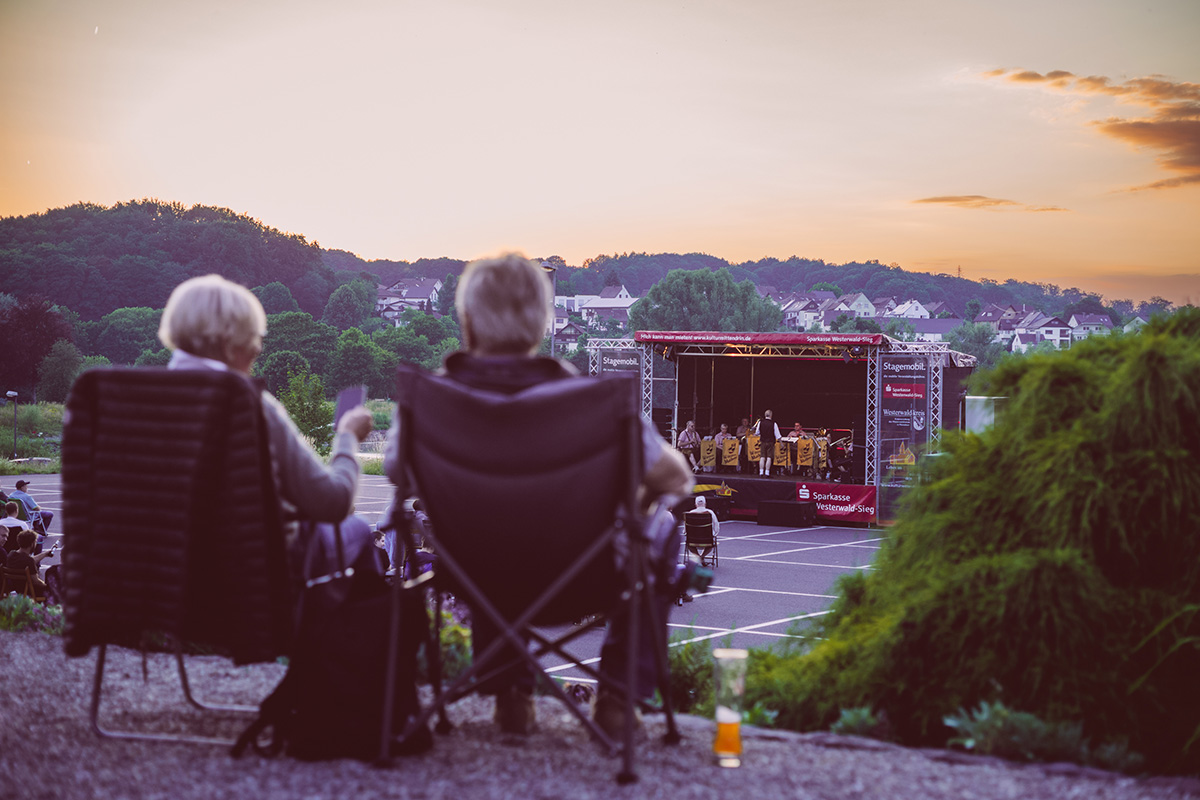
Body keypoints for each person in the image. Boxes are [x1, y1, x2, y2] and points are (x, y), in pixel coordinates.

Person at [384, 253, 693, 738]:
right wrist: (634, 501)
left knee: (490, 536)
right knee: (666, 529)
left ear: (466, 322)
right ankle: (617, 695)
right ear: (541, 323)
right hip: (586, 583)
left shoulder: (426, 402)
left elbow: (394, 469)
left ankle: (511, 695)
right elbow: (677, 479)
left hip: (474, 581)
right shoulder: (593, 403)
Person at [158, 274, 374, 570]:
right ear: (231, 344)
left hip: (156, 577)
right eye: (255, 342)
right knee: (360, 530)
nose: (257, 352)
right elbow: (333, 502)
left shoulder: (132, 402)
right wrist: (347, 436)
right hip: (250, 577)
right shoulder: (247, 405)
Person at [4, 529, 54, 596]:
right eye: (35, 542)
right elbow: (36, 581)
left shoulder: (11, 554)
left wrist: (45, 554)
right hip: (31, 591)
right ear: (32, 544)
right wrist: (48, 586)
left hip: (18, 588)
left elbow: (27, 561)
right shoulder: (28, 561)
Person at [687, 495, 720, 566]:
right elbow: (716, 527)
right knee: (712, 545)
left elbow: (685, 530)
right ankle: (701, 557)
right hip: (707, 541)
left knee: (689, 545)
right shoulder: (710, 513)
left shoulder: (690, 513)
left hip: (692, 541)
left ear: (695, 504)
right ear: (705, 504)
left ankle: (698, 558)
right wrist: (714, 534)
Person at [755, 410, 782, 477]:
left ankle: (761, 472)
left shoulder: (760, 422)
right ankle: (767, 473)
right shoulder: (774, 423)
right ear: (771, 415)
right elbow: (777, 435)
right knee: (769, 457)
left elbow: (757, 432)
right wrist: (781, 443)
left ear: (765, 415)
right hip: (770, 442)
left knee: (762, 457)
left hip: (763, 441)